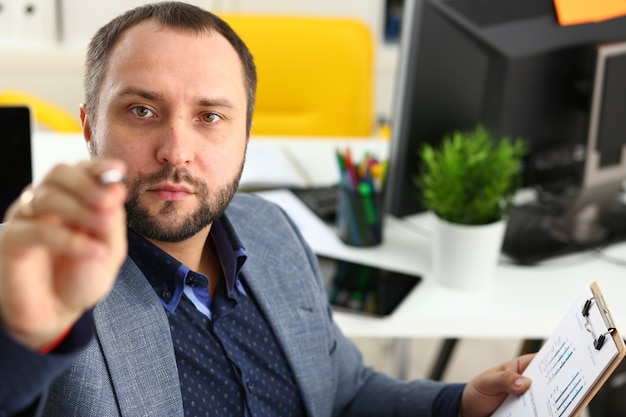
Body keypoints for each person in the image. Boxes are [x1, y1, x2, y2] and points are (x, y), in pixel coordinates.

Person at [0, 2, 533, 416]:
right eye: (142, 110)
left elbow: (343, 393)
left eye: (210, 117)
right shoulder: (39, 277)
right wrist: (20, 335)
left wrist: (457, 404)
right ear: (90, 126)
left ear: (246, 136)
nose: (176, 150)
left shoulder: (272, 229)